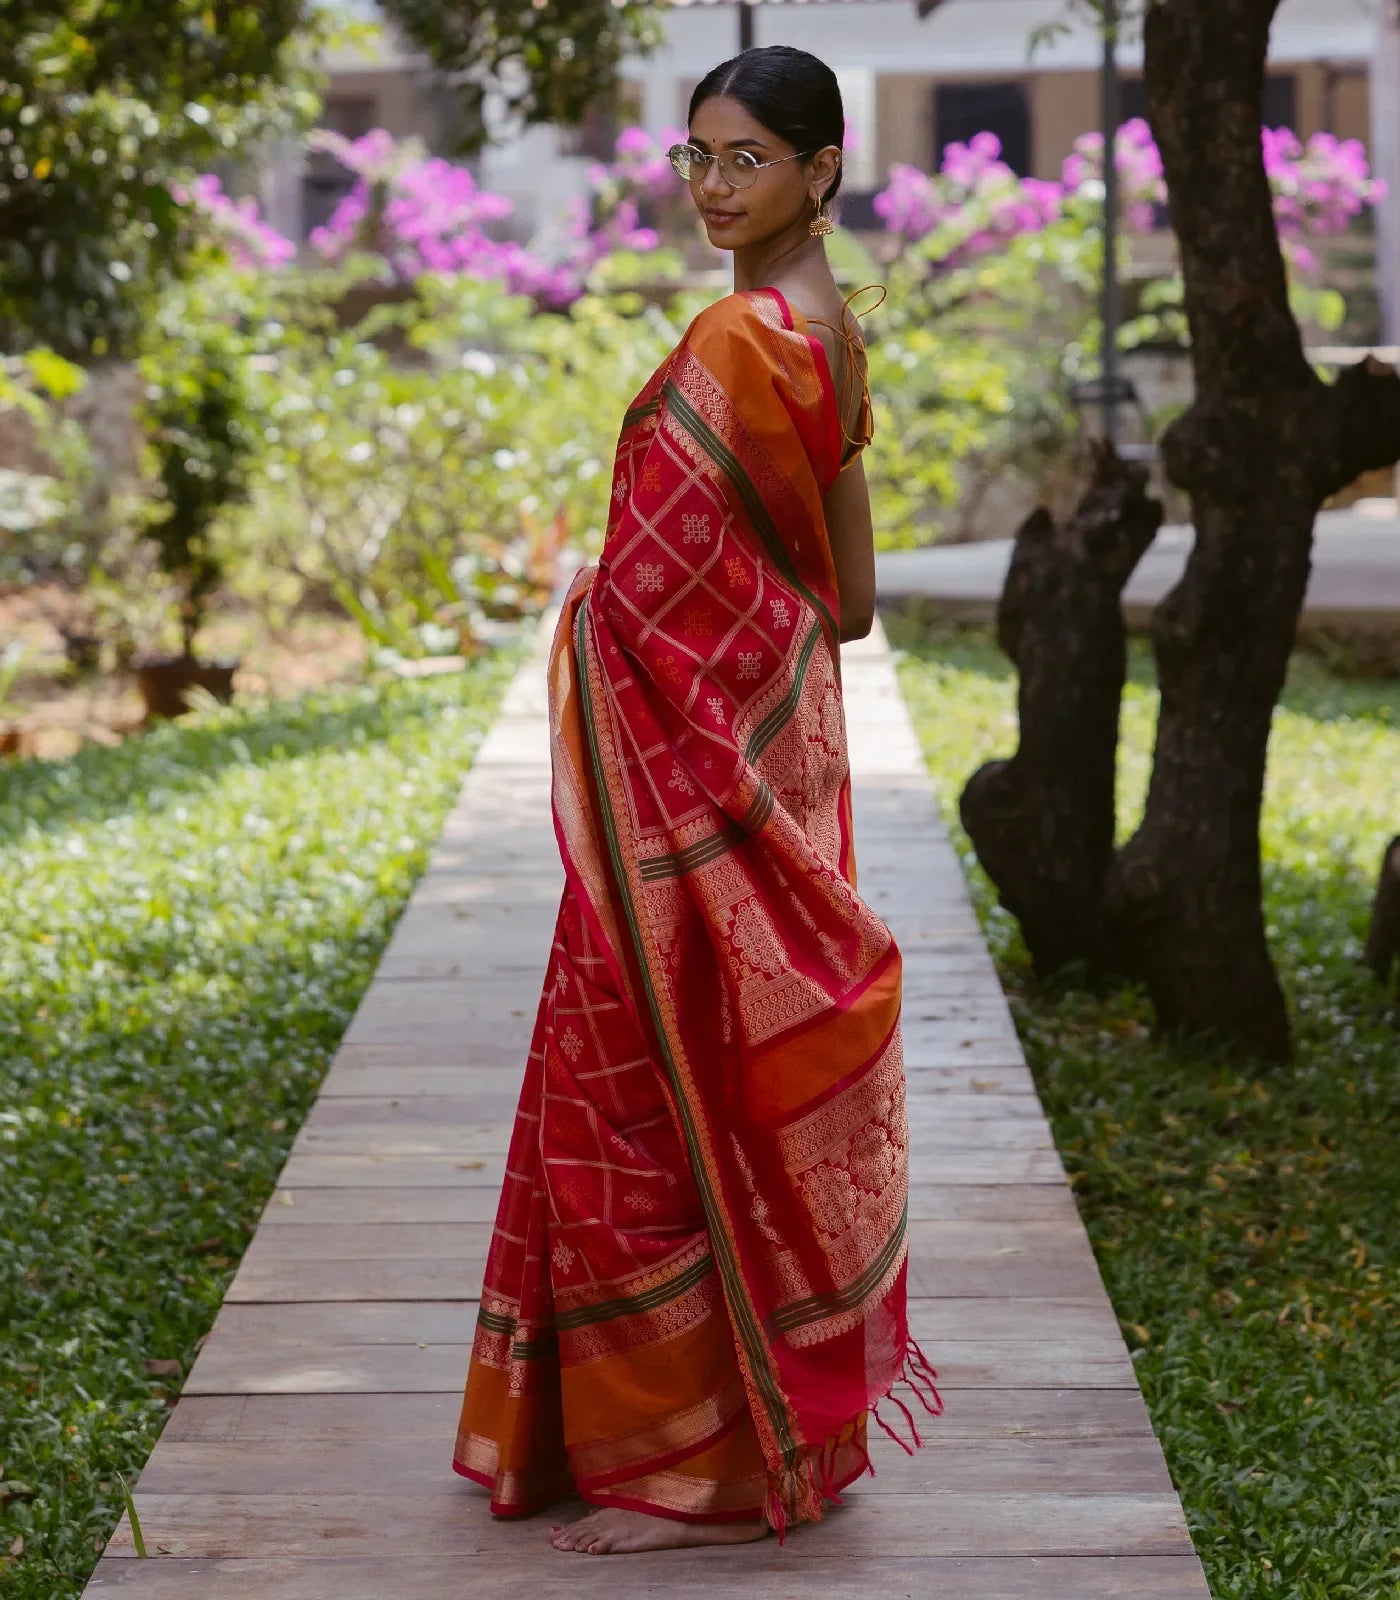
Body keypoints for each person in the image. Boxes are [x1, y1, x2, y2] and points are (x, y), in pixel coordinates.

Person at [452, 43, 940, 1557]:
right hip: (769, 756)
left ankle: (698, 1471)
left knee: (641, 1081)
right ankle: (720, 1434)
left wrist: (612, 613)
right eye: (697, 157)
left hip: (699, 777)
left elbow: (665, 598)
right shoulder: (833, 330)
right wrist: (733, 638)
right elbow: (849, 604)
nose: (714, 187)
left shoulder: (741, 336)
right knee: (707, 1068)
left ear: (821, 170)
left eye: (746, 160)